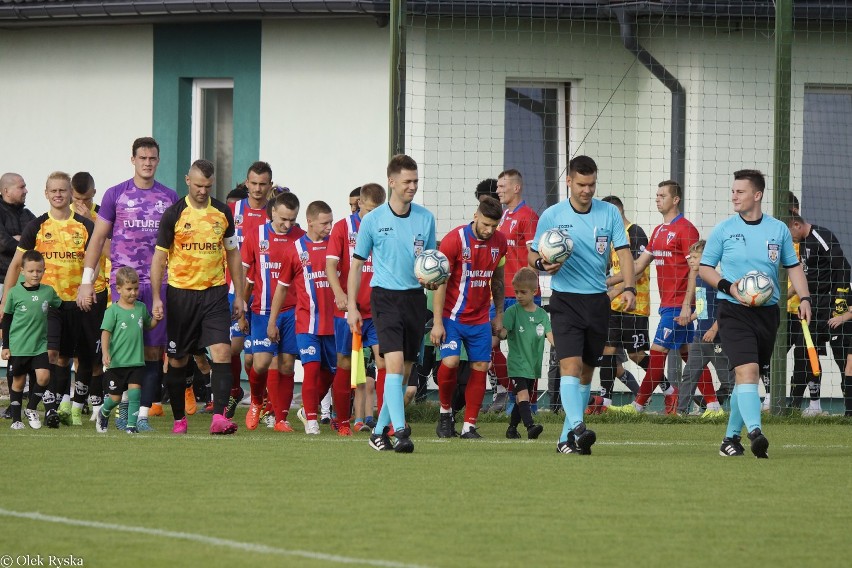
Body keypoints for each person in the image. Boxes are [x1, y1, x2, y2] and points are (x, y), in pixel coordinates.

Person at [698, 169, 811, 458]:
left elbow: (793, 266)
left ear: (757, 195)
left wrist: (805, 298)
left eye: (740, 191)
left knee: (746, 378)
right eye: (733, 191)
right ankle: (756, 432)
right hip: (733, 310)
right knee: (746, 371)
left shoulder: (778, 230)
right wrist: (728, 287)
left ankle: (729, 440)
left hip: (768, 313)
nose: (734, 196)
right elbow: (705, 268)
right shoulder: (723, 230)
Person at [530, 155, 635, 455]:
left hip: (597, 302)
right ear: (568, 181)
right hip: (565, 301)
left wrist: (628, 288)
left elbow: (624, 253)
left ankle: (566, 438)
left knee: (586, 373)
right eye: (581, 184)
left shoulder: (609, 214)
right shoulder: (551, 215)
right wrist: (541, 263)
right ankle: (578, 427)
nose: (587, 190)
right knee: (570, 367)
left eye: (591, 184)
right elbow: (531, 255)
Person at [77, 137, 179, 432]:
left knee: (151, 352)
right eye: (142, 158)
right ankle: (122, 411)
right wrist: (87, 282)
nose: (147, 163)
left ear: (158, 161)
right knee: (123, 352)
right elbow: (97, 239)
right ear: (132, 159)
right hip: (123, 285)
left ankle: (142, 415)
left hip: (158, 283)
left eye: (152, 158)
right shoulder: (116, 194)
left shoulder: (169, 197)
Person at [347, 154, 436, 453]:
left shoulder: (426, 218)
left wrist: (432, 279)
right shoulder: (372, 220)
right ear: (392, 181)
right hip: (384, 298)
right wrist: (351, 307)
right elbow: (356, 266)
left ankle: (378, 432)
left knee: (404, 374)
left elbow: (430, 262)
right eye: (407, 181)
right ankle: (401, 431)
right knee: (394, 365)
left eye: (415, 181)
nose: (412, 186)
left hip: (414, 299)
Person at [151, 159, 244, 435]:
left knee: (222, 352)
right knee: (178, 360)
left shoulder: (222, 213)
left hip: (215, 294)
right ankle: (179, 419)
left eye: (208, 186)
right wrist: (157, 297)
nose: (203, 191)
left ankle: (219, 418)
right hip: (181, 295)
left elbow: (233, 254)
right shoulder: (174, 214)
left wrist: (239, 295)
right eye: (198, 185)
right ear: (187, 180)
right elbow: (159, 257)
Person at [1, 172, 96, 429]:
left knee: (67, 357)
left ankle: (61, 406)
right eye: (53, 191)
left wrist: (88, 286)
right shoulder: (37, 226)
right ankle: (50, 408)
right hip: (46, 304)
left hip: (76, 302)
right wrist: (5, 300)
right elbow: (16, 265)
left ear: (69, 194)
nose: (58, 195)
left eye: (62, 191)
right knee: (51, 355)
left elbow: (96, 259)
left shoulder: (84, 226)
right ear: (46, 194)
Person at [608, 180, 699, 415]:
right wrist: (608, 283)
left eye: (662, 195)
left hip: (680, 306)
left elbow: (695, 269)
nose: (657, 199)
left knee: (657, 353)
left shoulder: (686, 229)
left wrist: (689, 305)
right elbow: (637, 266)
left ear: (675, 199)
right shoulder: (658, 231)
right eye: (656, 195)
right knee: (689, 355)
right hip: (668, 305)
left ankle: (637, 405)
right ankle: (712, 405)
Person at [431, 196, 507, 439]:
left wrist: (499, 316)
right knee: (451, 362)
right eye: (485, 224)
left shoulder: (500, 243)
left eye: (494, 226)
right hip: (452, 317)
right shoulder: (454, 240)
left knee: (481, 367)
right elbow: (441, 284)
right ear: (475, 216)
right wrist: (437, 322)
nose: (489, 230)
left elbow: (498, 281)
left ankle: (469, 426)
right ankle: (445, 413)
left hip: (480, 319)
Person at [267, 201, 335, 435]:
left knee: (331, 372)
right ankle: (313, 422)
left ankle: (307, 410)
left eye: (331, 222)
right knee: (312, 368)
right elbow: (282, 288)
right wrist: (272, 321)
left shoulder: (336, 247)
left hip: (333, 323)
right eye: (325, 223)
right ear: (311, 222)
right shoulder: (295, 249)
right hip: (306, 322)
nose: (329, 227)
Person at [240, 191, 305, 431]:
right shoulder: (255, 236)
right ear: (273, 212)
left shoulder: (301, 238)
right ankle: (257, 400)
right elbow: (246, 279)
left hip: (292, 312)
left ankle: (281, 419)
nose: (288, 225)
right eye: (283, 219)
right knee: (261, 363)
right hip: (262, 310)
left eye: (292, 220)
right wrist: (242, 311)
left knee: (287, 365)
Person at [326, 183, 386, 434]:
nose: (373, 215)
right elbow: (331, 266)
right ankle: (342, 422)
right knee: (346, 363)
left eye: (377, 210)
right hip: (349, 310)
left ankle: (385, 422)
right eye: (369, 209)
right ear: (359, 203)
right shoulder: (342, 227)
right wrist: (340, 294)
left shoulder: (386, 225)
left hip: (380, 309)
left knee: (385, 362)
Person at [588, 195, 648, 413]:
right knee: (608, 350)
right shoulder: (609, 237)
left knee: (636, 355)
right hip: (613, 305)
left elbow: (636, 269)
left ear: (616, 212)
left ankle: (668, 392)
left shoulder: (635, 232)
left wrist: (611, 285)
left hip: (635, 304)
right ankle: (605, 401)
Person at [786, 213, 850, 416]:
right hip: (813, 308)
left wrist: (841, 301)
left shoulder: (822, 236)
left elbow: (844, 268)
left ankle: (849, 411)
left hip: (831, 308)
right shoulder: (802, 244)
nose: (790, 239)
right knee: (802, 353)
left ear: (796, 224)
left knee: (843, 359)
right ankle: (794, 407)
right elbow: (804, 278)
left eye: (789, 233)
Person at [487, 169, 540, 413]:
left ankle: (528, 404)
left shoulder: (528, 216)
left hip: (521, 294)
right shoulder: (504, 216)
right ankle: (514, 392)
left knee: (525, 352)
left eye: (502, 185)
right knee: (489, 346)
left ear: (516, 188)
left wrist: (531, 291)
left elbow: (534, 257)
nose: (498, 190)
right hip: (500, 293)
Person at [228, 161, 274, 418]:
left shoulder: (273, 214)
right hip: (234, 289)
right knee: (234, 348)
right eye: (253, 183)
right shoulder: (232, 210)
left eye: (262, 184)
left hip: (264, 292)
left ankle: (262, 399)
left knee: (255, 357)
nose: (257, 189)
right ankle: (235, 390)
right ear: (246, 183)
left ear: (270, 185)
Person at [96, 267, 162, 433]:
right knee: (116, 398)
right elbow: (105, 333)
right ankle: (104, 412)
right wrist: (105, 352)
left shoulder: (140, 308)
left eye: (136, 288)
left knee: (135, 395)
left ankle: (131, 426)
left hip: (136, 361)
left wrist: (157, 319)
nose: (133, 293)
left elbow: (149, 325)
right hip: (117, 363)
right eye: (129, 289)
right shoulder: (113, 311)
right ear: (118, 289)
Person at [1, 250, 61, 430]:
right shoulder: (14, 293)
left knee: (44, 377)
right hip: (19, 346)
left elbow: (62, 305)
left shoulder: (48, 291)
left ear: (44, 270)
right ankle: (16, 421)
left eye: (39, 271)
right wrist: (5, 346)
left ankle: (32, 407)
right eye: (31, 271)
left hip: (40, 346)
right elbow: (8, 319)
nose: (35, 274)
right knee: (18, 384)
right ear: (22, 271)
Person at [70, 172, 109, 424]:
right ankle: (73, 402)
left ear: (93, 194)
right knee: (74, 353)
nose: (79, 204)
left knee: (95, 354)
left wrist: (88, 221)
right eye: (76, 198)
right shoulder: (64, 215)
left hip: (100, 290)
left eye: (84, 198)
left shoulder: (104, 215)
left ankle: (95, 403)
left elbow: (110, 249)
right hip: (70, 292)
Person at [677, 240, 730, 416]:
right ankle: (680, 412)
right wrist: (688, 318)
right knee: (689, 375)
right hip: (700, 337)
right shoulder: (698, 278)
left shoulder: (715, 279)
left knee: (728, 379)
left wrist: (714, 329)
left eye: (694, 257)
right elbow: (702, 307)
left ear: (706, 257)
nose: (690, 260)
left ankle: (744, 408)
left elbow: (725, 308)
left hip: (716, 338)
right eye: (690, 257)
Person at [499, 267, 551, 439]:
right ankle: (530, 427)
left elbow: (551, 337)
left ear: (534, 292)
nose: (518, 296)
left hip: (533, 365)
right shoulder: (512, 312)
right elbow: (503, 334)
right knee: (523, 395)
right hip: (516, 363)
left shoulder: (542, 315)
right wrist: (498, 330)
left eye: (523, 292)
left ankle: (512, 429)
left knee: (522, 399)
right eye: (516, 292)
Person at [0, 172, 36, 420]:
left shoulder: (27, 214)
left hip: (21, 288)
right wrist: (21, 243)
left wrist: (18, 242)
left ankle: (18, 405)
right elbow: (3, 243)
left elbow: (37, 243)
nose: (25, 190)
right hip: (2, 282)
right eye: (21, 187)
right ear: (6, 190)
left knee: (19, 343)